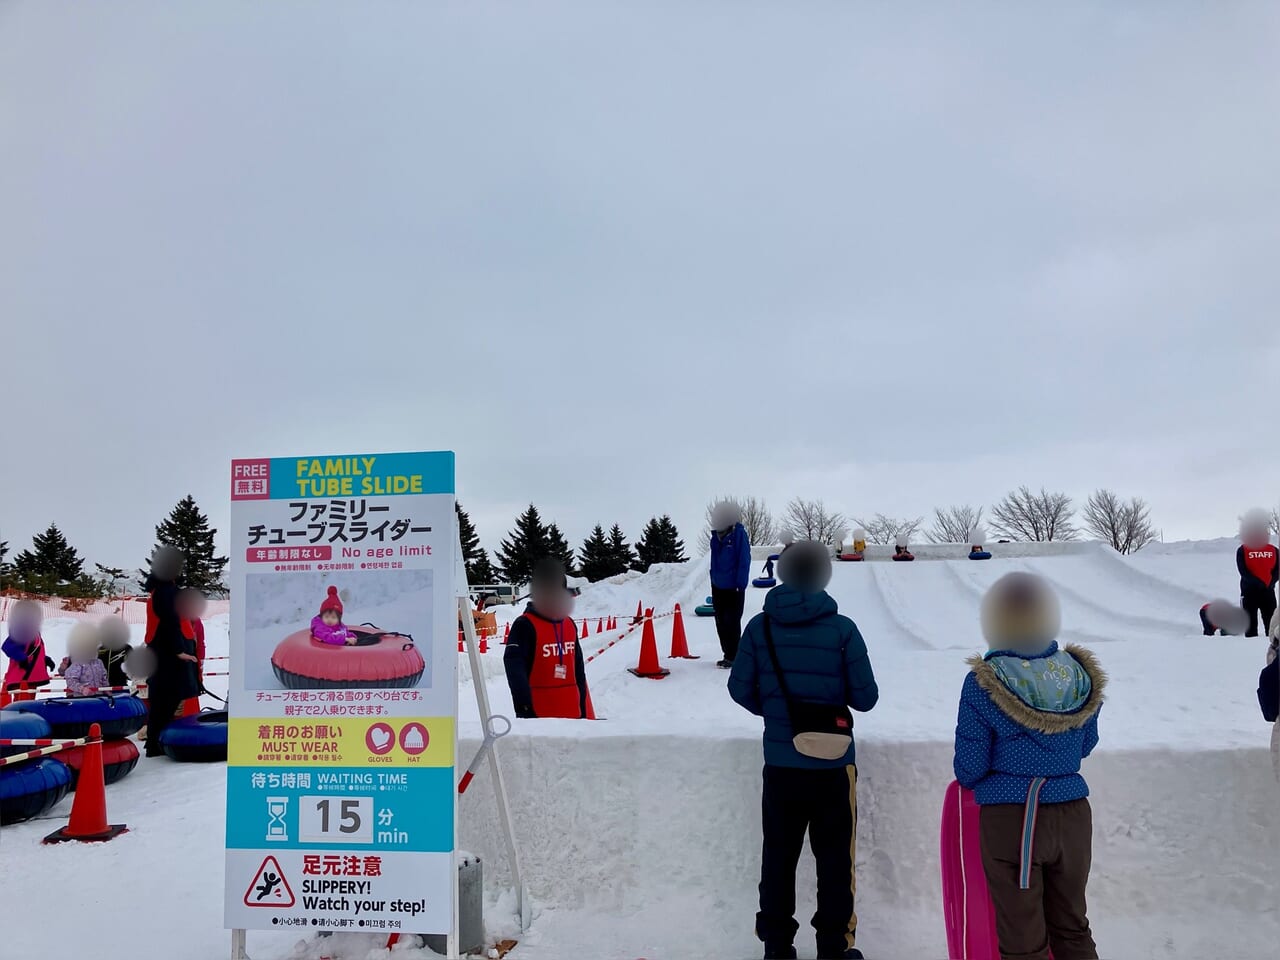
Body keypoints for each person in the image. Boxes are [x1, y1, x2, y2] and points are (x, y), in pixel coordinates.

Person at [728, 541, 880, 960]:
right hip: (834, 767)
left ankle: (777, 948)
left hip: (781, 764)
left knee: (777, 857)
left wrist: (779, 716)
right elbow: (866, 698)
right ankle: (834, 947)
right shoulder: (843, 629)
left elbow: (738, 688)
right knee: (836, 863)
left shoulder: (759, 628)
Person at [953, 572, 1106, 960]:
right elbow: (1086, 744)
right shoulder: (1077, 674)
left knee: (1022, 935)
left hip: (1014, 818)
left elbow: (969, 768)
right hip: (1073, 814)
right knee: (1072, 925)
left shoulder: (984, 682)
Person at [503, 558, 588, 719]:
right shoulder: (525, 625)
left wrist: (583, 708)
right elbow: (515, 671)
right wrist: (524, 709)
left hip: (573, 714)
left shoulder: (569, 624)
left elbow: (579, 670)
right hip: (540, 718)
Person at [141, 546, 200, 757]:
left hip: (160, 649)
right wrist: (178, 651)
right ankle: (157, 743)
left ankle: (156, 742)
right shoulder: (166, 592)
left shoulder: (161, 589)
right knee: (166, 698)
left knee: (164, 698)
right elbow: (169, 620)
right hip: (167, 652)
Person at [710, 500, 752, 668]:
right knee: (720, 622)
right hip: (717, 586)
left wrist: (740, 584)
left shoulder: (738, 534)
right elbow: (714, 560)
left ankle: (735, 656)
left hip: (734, 587)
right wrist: (712, 578)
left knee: (731, 622)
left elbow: (744, 559)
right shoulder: (715, 536)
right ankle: (728, 654)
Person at [1236, 510, 1278, 638]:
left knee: (1271, 623)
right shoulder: (1243, 549)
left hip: (1268, 592)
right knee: (1250, 624)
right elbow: (1243, 571)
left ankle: (1272, 649)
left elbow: (1277, 570)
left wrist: (1271, 582)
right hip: (1249, 593)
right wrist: (1258, 583)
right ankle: (1250, 647)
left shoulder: (1274, 550)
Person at [2, 600, 54, 695]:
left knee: (28, 702)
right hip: (22, 677)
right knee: (22, 705)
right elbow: (7, 647)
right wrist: (22, 659)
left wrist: (44, 660)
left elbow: (34, 651)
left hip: (30, 676)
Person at [178, 588, 208, 717]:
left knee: (189, 704)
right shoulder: (173, 620)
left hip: (191, 668)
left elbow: (200, 644)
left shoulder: (196, 622)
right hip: (175, 668)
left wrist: (199, 665)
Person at [62, 626, 109, 696]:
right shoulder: (77, 663)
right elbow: (71, 681)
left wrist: (107, 690)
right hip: (82, 699)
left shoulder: (99, 662)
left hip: (99, 698)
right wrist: (83, 689)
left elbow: (104, 679)